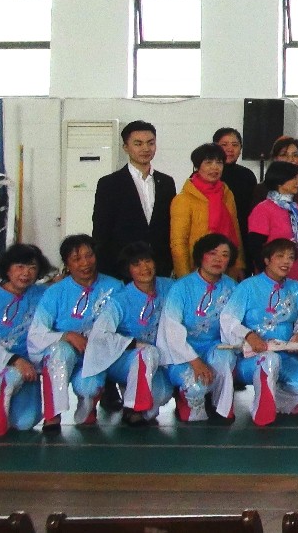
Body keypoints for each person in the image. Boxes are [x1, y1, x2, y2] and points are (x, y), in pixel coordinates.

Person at [28, 235, 125, 431]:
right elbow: (37, 332)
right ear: (67, 263)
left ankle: (89, 405)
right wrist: (67, 336)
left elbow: (125, 326)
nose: (85, 263)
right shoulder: (55, 292)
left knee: (89, 387)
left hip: (99, 355)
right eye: (76, 259)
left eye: (89, 256)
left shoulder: (115, 287)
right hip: (66, 353)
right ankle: (52, 415)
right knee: (57, 352)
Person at [219, 239, 298, 425]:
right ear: (266, 260)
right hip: (252, 358)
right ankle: (262, 411)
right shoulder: (248, 286)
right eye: (280, 256)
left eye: (291, 257)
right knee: (270, 360)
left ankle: (271, 401)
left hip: (286, 355)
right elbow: (228, 318)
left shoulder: (297, 288)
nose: (286, 261)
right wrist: (249, 335)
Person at [81, 241, 173, 426]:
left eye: (147, 261)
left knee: (162, 394)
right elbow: (99, 334)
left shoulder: (170, 287)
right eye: (136, 264)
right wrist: (133, 344)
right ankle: (133, 409)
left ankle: (132, 390)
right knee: (146, 353)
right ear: (128, 270)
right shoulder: (120, 300)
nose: (144, 268)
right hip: (123, 359)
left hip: (157, 359)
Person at [0, 243, 51, 436]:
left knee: (25, 422)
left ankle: (11, 398)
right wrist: (14, 360)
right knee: (12, 375)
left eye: (32, 268)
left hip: (32, 365)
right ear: (7, 269)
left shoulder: (43, 294)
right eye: (20, 267)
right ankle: (2, 390)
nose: (26, 273)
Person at [159, 234, 239, 422]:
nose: (218, 259)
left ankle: (221, 405)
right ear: (201, 256)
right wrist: (195, 361)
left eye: (225, 255)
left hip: (214, 349)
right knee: (196, 389)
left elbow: (237, 324)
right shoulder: (181, 287)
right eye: (212, 253)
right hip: (182, 353)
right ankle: (185, 397)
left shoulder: (233, 287)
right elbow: (171, 330)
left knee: (226, 355)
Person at [91, 120, 177, 275]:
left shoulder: (166, 182)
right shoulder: (109, 183)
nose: (146, 148)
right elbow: (101, 232)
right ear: (125, 147)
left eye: (150, 143)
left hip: (159, 266)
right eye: (138, 144)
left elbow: (169, 226)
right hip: (122, 267)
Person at [170, 143, 244, 278]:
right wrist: (185, 277)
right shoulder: (183, 199)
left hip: (226, 267)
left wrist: (239, 264)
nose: (214, 167)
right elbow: (178, 243)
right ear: (197, 166)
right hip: (196, 270)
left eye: (219, 162)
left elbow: (235, 229)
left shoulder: (227, 194)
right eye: (208, 162)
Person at [248, 161, 298, 286]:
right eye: (294, 178)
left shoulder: (295, 208)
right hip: (272, 278)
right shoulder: (263, 209)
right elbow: (255, 246)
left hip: (297, 276)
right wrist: (267, 275)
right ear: (280, 180)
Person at [214, 127, 260, 262]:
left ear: (241, 149)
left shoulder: (247, 175)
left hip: (242, 237)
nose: (230, 149)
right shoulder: (205, 174)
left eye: (235, 145)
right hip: (213, 239)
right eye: (224, 145)